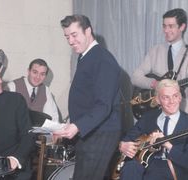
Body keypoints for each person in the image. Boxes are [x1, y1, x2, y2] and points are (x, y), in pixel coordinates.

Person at [53, 14, 122, 180]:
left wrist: (77, 126)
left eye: (74, 35)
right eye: (67, 36)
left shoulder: (103, 59)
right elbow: (88, 99)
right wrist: (73, 124)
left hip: (101, 132)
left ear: (88, 31)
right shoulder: (87, 56)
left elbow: (103, 105)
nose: (70, 41)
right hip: (90, 131)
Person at [119, 79, 188, 180]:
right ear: (158, 100)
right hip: (146, 166)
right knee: (130, 167)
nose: (172, 101)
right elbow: (128, 137)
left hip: (173, 171)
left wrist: (167, 145)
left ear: (180, 97)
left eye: (175, 96)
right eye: (166, 97)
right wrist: (122, 145)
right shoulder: (148, 118)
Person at [131, 8, 188, 114]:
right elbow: (135, 77)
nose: (166, 30)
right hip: (155, 117)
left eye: (171, 26)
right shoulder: (155, 50)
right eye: (164, 26)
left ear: (182, 27)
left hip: (182, 118)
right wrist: (154, 84)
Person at [6, 58, 59, 123]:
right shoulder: (12, 86)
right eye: (35, 72)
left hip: (37, 132)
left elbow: (52, 117)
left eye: (42, 74)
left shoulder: (45, 90)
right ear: (28, 71)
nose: (38, 77)